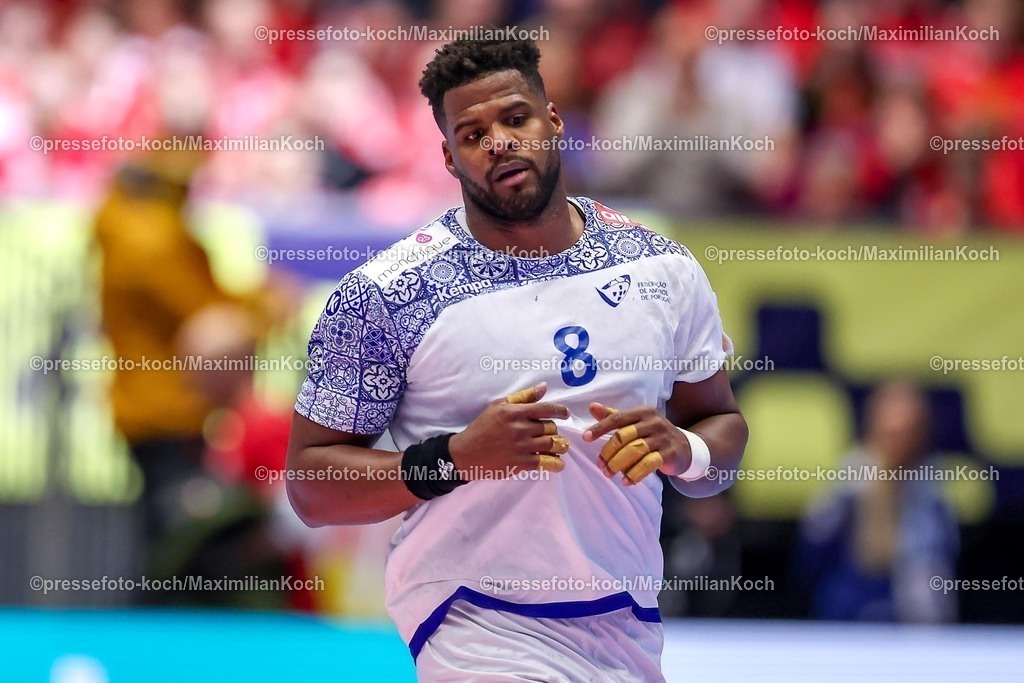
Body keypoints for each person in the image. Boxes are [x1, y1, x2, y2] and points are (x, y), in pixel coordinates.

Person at [286, 38, 748, 681]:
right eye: (472, 133)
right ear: (448, 158)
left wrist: (684, 452)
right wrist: (452, 459)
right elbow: (311, 485)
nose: (499, 142)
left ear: (553, 121)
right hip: (473, 619)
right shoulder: (388, 293)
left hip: (626, 625)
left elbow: (722, 432)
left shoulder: (661, 268)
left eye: (515, 119)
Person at [797, 380, 958, 623]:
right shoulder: (847, 484)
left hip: (911, 611)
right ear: (873, 429)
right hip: (850, 605)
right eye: (891, 434)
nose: (899, 445)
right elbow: (810, 556)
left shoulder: (931, 490)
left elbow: (940, 566)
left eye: (908, 433)